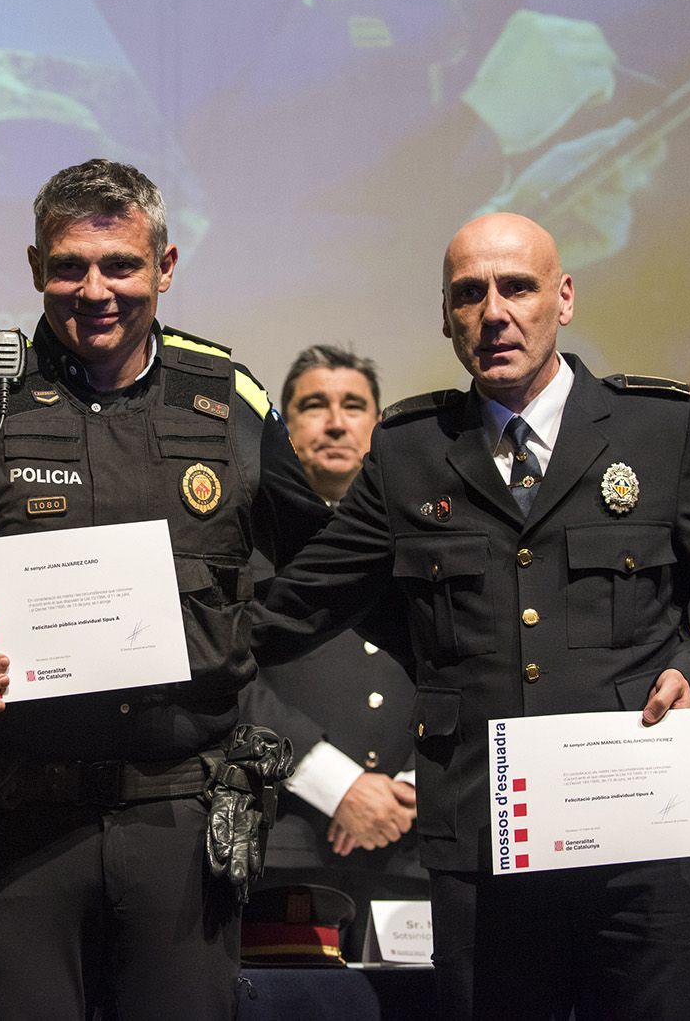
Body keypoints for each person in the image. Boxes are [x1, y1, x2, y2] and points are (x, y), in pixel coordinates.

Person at [253, 212, 690, 1019]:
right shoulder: (408, 452)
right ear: (445, 316)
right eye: (469, 294)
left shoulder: (658, 429)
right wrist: (137, 635)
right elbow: (290, 608)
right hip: (483, 850)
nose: (494, 312)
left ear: (564, 298)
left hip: (639, 845)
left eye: (518, 287)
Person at [0, 158, 329, 1020]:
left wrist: (238, 638)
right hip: (9, 824)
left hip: (181, 819)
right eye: (69, 265)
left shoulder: (228, 403)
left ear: (165, 266)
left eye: (120, 264)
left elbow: (318, 562)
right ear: (35, 268)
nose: (95, 290)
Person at [237, 345, 425, 951]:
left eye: (354, 406)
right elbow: (225, 677)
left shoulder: (427, 535)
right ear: (284, 429)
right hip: (288, 846)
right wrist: (337, 784)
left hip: (416, 846)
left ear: (378, 426)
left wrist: (414, 785)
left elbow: (474, 659)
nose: (336, 423)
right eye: (314, 406)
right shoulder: (245, 546)